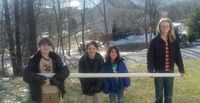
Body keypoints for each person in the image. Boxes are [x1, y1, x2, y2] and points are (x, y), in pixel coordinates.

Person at [147, 18, 185, 103]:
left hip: (170, 71)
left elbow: (178, 56)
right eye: (162, 26)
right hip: (159, 72)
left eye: (167, 26)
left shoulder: (173, 40)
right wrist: (150, 70)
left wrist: (181, 69)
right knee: (158, 96)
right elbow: (150, 57)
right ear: (159, 27)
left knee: (168, 96)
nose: (165, 27)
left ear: (170, 27)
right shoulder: (154, 41)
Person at [23, 37, 70, 103]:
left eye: (48, 45)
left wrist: (51, 81)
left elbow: (65, 71)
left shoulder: (57, 58)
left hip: (55, 92)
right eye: (43, 45)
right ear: (39, 46)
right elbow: (26, 75)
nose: (46, 47)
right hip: (40, 94)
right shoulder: (34, 59)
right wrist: (42, 80)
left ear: (51, 46)